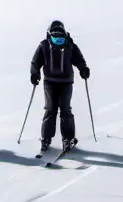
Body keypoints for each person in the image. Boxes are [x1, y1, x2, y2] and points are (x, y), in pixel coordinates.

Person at [29, 19, 89, 152]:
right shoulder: (69, 43)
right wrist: (83, 69)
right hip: (66, 82)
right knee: (65, 110)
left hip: (50, 82)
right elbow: (79, 59)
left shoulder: (45, 44)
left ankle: (46, 139)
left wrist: (35, 74)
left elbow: (35, 62)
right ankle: (67, 139)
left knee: (50, 110)